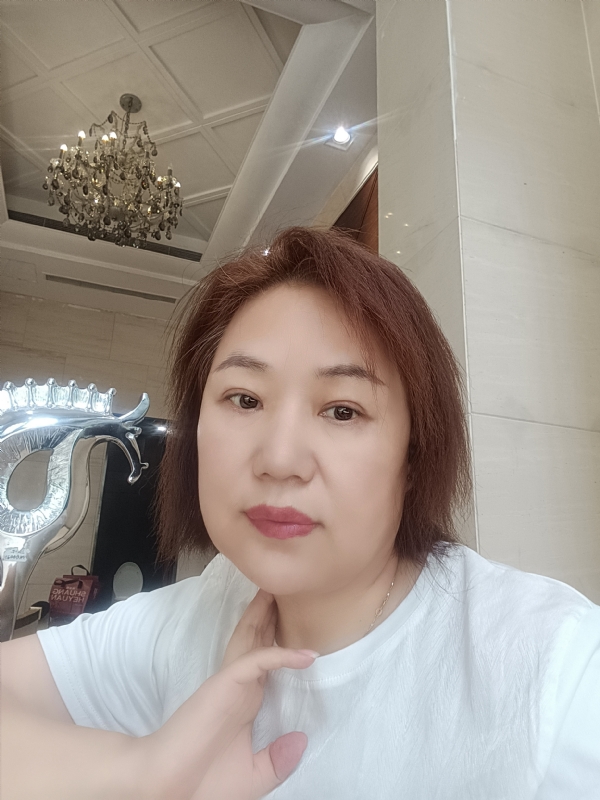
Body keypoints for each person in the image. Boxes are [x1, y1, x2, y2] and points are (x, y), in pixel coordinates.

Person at [1, 226, 599, 800]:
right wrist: (147, 775)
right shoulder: (204, 610)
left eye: (342, 411)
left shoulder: (556, 671)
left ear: (414, 456)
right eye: (245, 399)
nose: (280, 459)